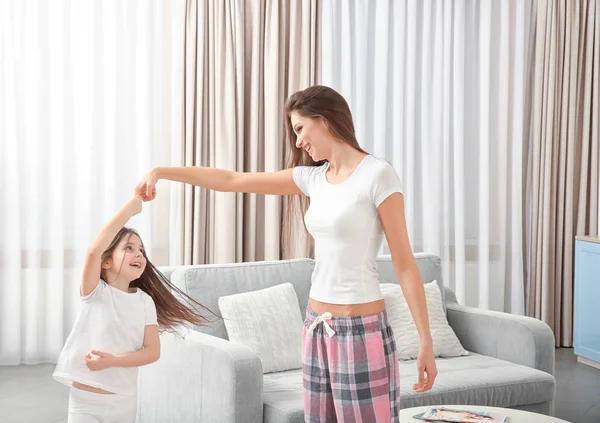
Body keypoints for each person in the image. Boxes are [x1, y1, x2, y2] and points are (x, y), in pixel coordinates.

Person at [136, 85, 438, 422]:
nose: (297, 142)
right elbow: (233, 180)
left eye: (299, 129)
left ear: (324, 120)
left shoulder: (377, 175)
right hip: (315, 327)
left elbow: (405, 263)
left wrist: (425, 339)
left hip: (361, 330)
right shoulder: (313, 179)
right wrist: (162, 172)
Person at [53, 195, 211, 423]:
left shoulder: (145, 301)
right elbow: (92, 251)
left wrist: (112, 361)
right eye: (129, 248)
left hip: (124, 401)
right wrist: (128, 210)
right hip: (85, 401)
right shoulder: (95, 292)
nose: (139, 254)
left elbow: (151, 351)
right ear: (106, 262)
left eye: (142, 250)